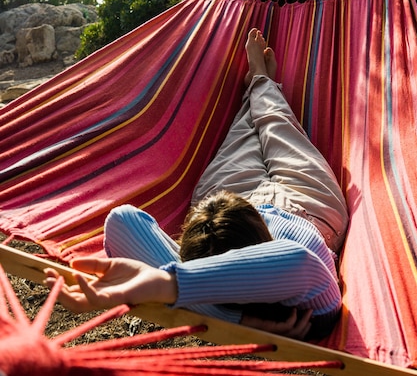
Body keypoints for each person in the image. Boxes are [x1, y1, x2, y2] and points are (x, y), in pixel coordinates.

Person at [45, 28, 349, 340]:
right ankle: (261, 81)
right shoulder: (309, 308)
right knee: (277, 125)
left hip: (223, 216)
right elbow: (297, 262)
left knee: (241, 133)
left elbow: (123, 221)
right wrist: (179, 291)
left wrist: (215, 309)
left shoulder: (204, 256)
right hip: (309, 204)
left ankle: (256, 88)